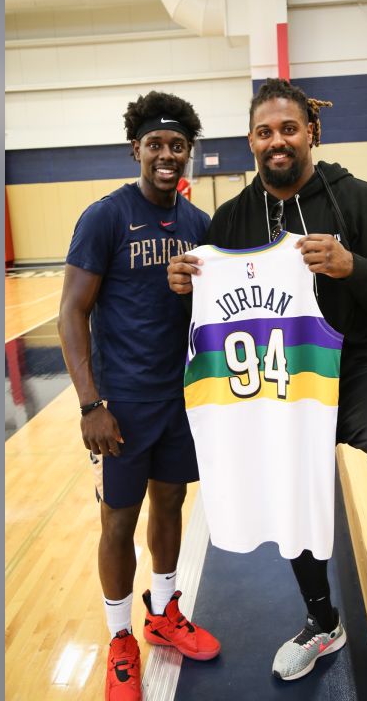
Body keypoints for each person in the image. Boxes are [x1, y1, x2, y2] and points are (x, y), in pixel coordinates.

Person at [167, 78, 367, 698]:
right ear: (251, 142)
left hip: (361, 362)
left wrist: (352, 266)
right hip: (279, 375)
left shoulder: (358, 200)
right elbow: (211, 314)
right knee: (291, 481)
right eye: (264, 132)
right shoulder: (232, 219)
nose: (277, 141)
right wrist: (184, 284)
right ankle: (321, 620)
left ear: (310, 132)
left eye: (288, 128)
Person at [59, 90, 221, 701]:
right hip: (121, 406)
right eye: (155, 144)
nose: (167, 154)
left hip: (179, 401)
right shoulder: (105, 217)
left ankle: (165, 610)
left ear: (188, 154)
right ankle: (120, 636)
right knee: (118, 521)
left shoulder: (196, 225)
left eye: (177, 145)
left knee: (171, 505)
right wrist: (90, 403)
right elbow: (71, 313)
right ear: (136, 149)